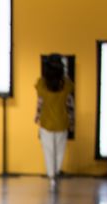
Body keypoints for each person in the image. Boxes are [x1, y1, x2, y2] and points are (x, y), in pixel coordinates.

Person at [35, 54, 74, 191]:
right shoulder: (66, 84)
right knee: (59, 151)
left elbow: (40, 102)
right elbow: (70, 103)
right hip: (62, 122)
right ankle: (56, 173)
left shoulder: (41, 84)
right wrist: (72, 122)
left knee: (48, 151)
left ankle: (51, 176)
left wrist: (37, 116)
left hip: (46, 122)